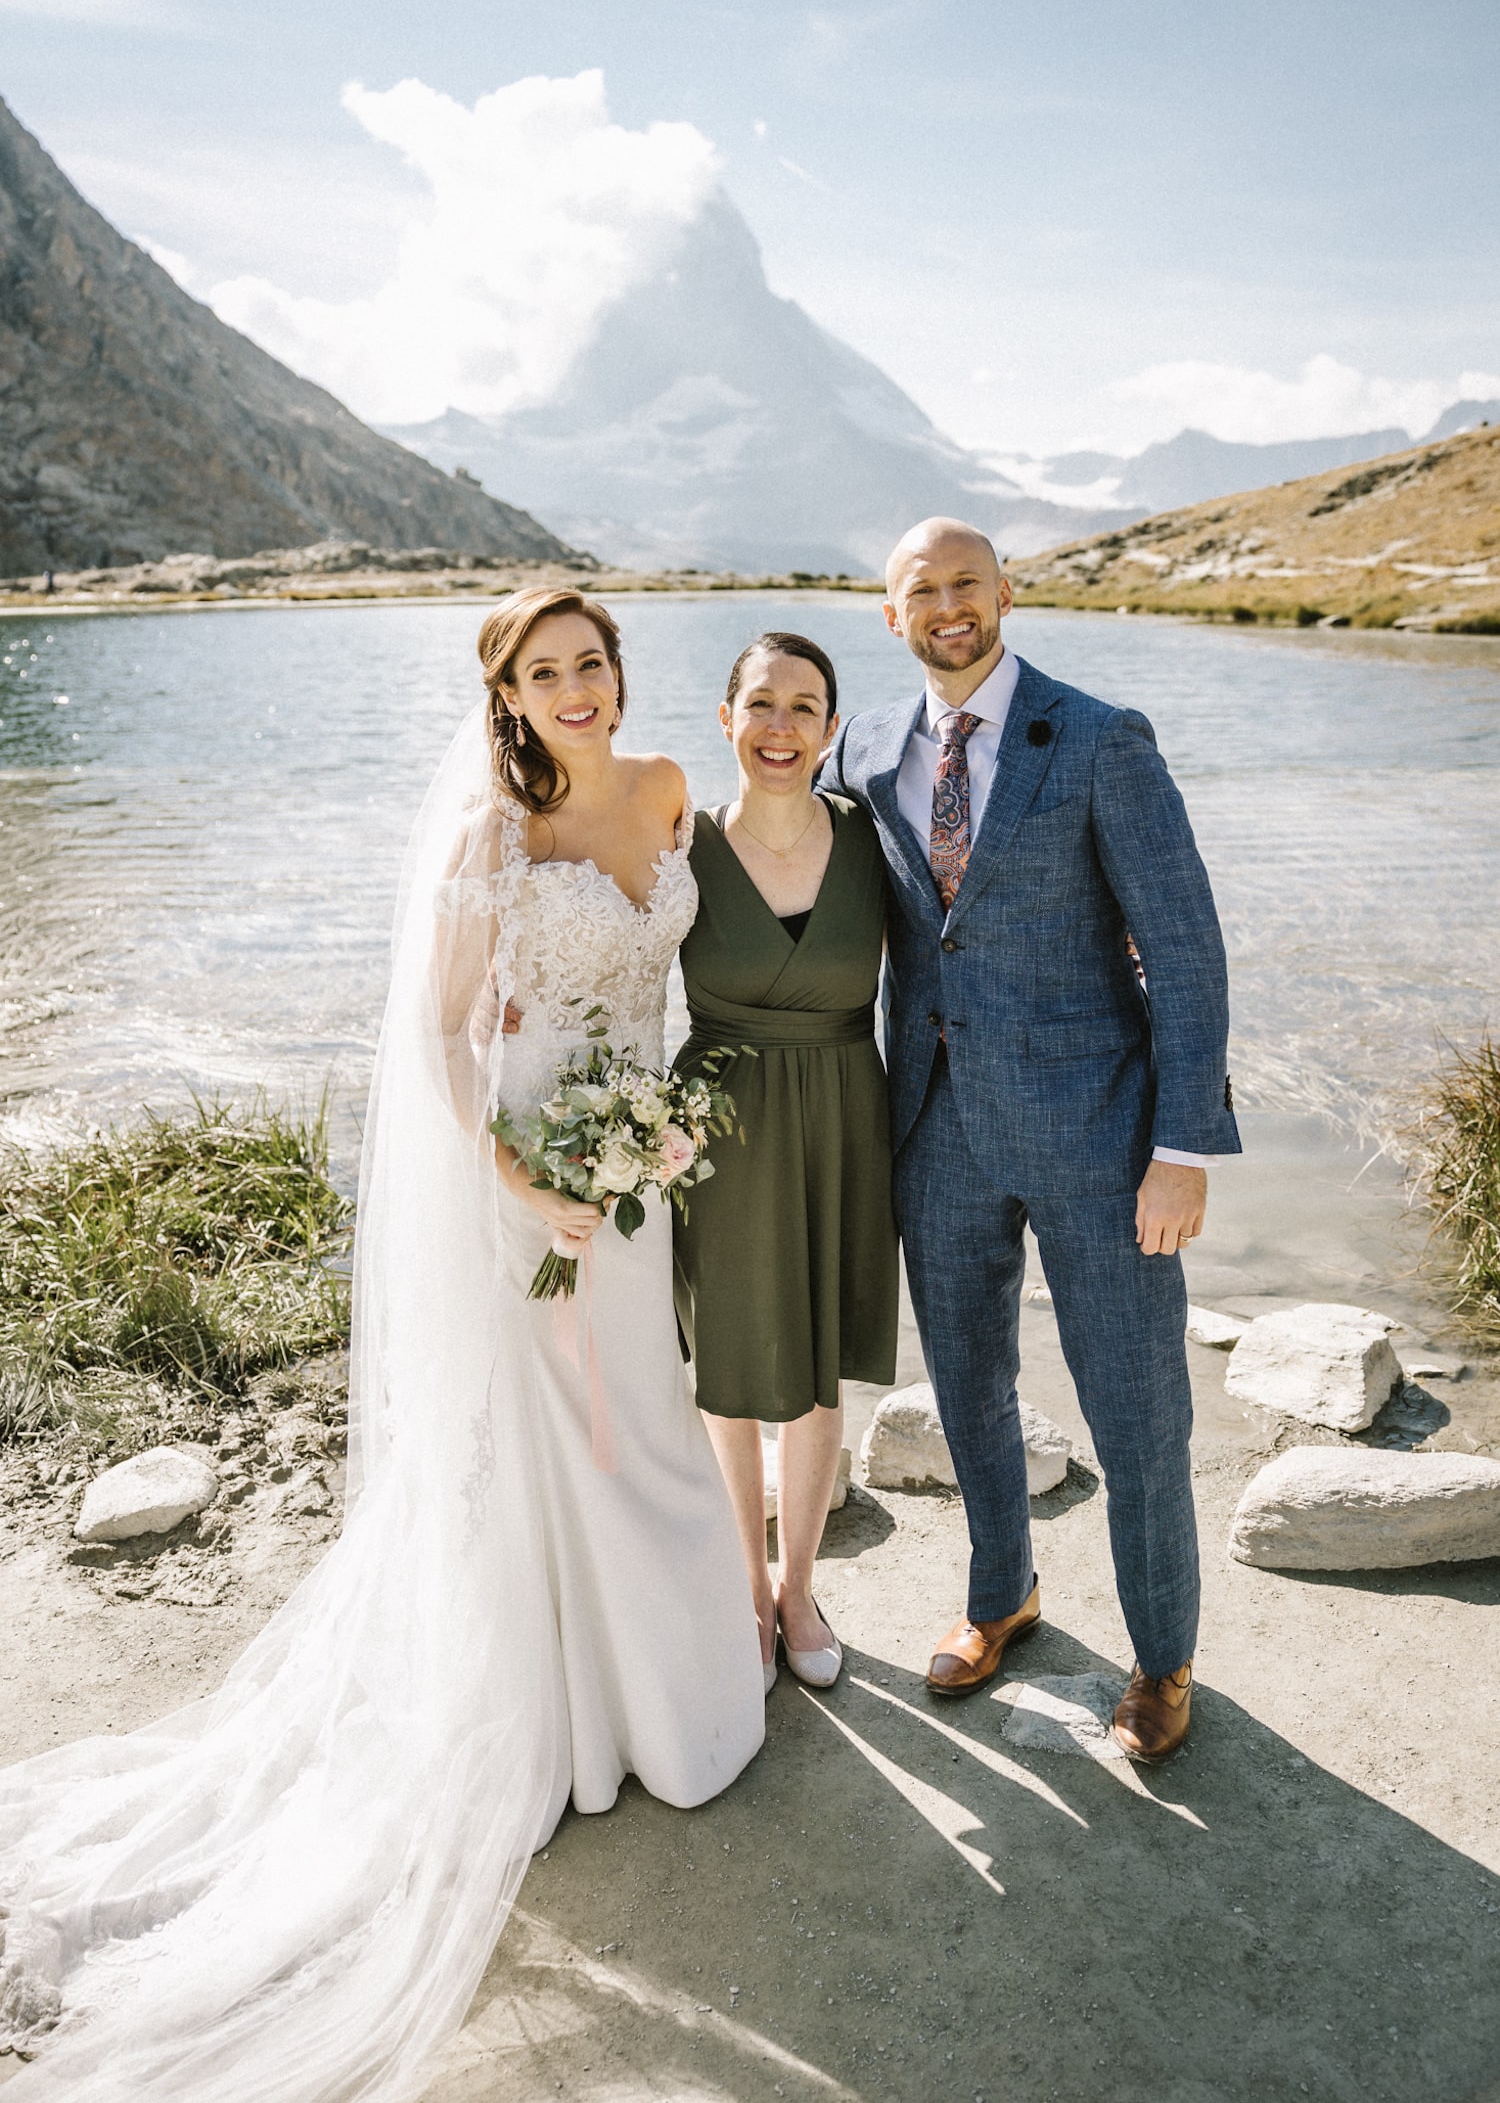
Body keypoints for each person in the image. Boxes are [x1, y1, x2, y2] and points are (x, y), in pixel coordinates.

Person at [0, 588, 763, 2099]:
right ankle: (545, 1728)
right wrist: (528, 1174)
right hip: (530, 1164)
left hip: (641, 1165)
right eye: (544, 673)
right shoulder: (490, 832)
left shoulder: (671, 786)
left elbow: (675, 961)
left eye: (591, 663)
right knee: (536, 1443)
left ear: (620, 669)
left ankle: (663, 1695)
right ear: (508, 693)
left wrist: (658, 1134)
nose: (575, 690)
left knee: (643, 1415)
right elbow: (440, 1034)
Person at [821, 520, 1239, 1762]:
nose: (948, 606)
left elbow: (1188, 948)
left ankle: (1163, 1656)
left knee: (1137, 1403)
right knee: (966, 1387)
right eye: (921, 590)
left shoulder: (1105, 738)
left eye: (966, 583)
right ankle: (1002, 1591)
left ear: (1005, 593)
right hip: (934, 1128)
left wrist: (1185, 1146)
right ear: (887, 614)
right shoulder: (860, 745)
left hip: (1102, 1136)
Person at [672, 633, 898, 1692]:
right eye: (760, 703)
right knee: (730, 1367)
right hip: (717, 1126)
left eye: (804, 707)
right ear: (726, 720)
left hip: (846, 1115)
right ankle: (744, 1586)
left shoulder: (872, 837)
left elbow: (970, 938)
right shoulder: (677, 844)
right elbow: (608, 979)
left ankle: (799, 1586)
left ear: (832, 729)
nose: (780, 726)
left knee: (812, 1370)